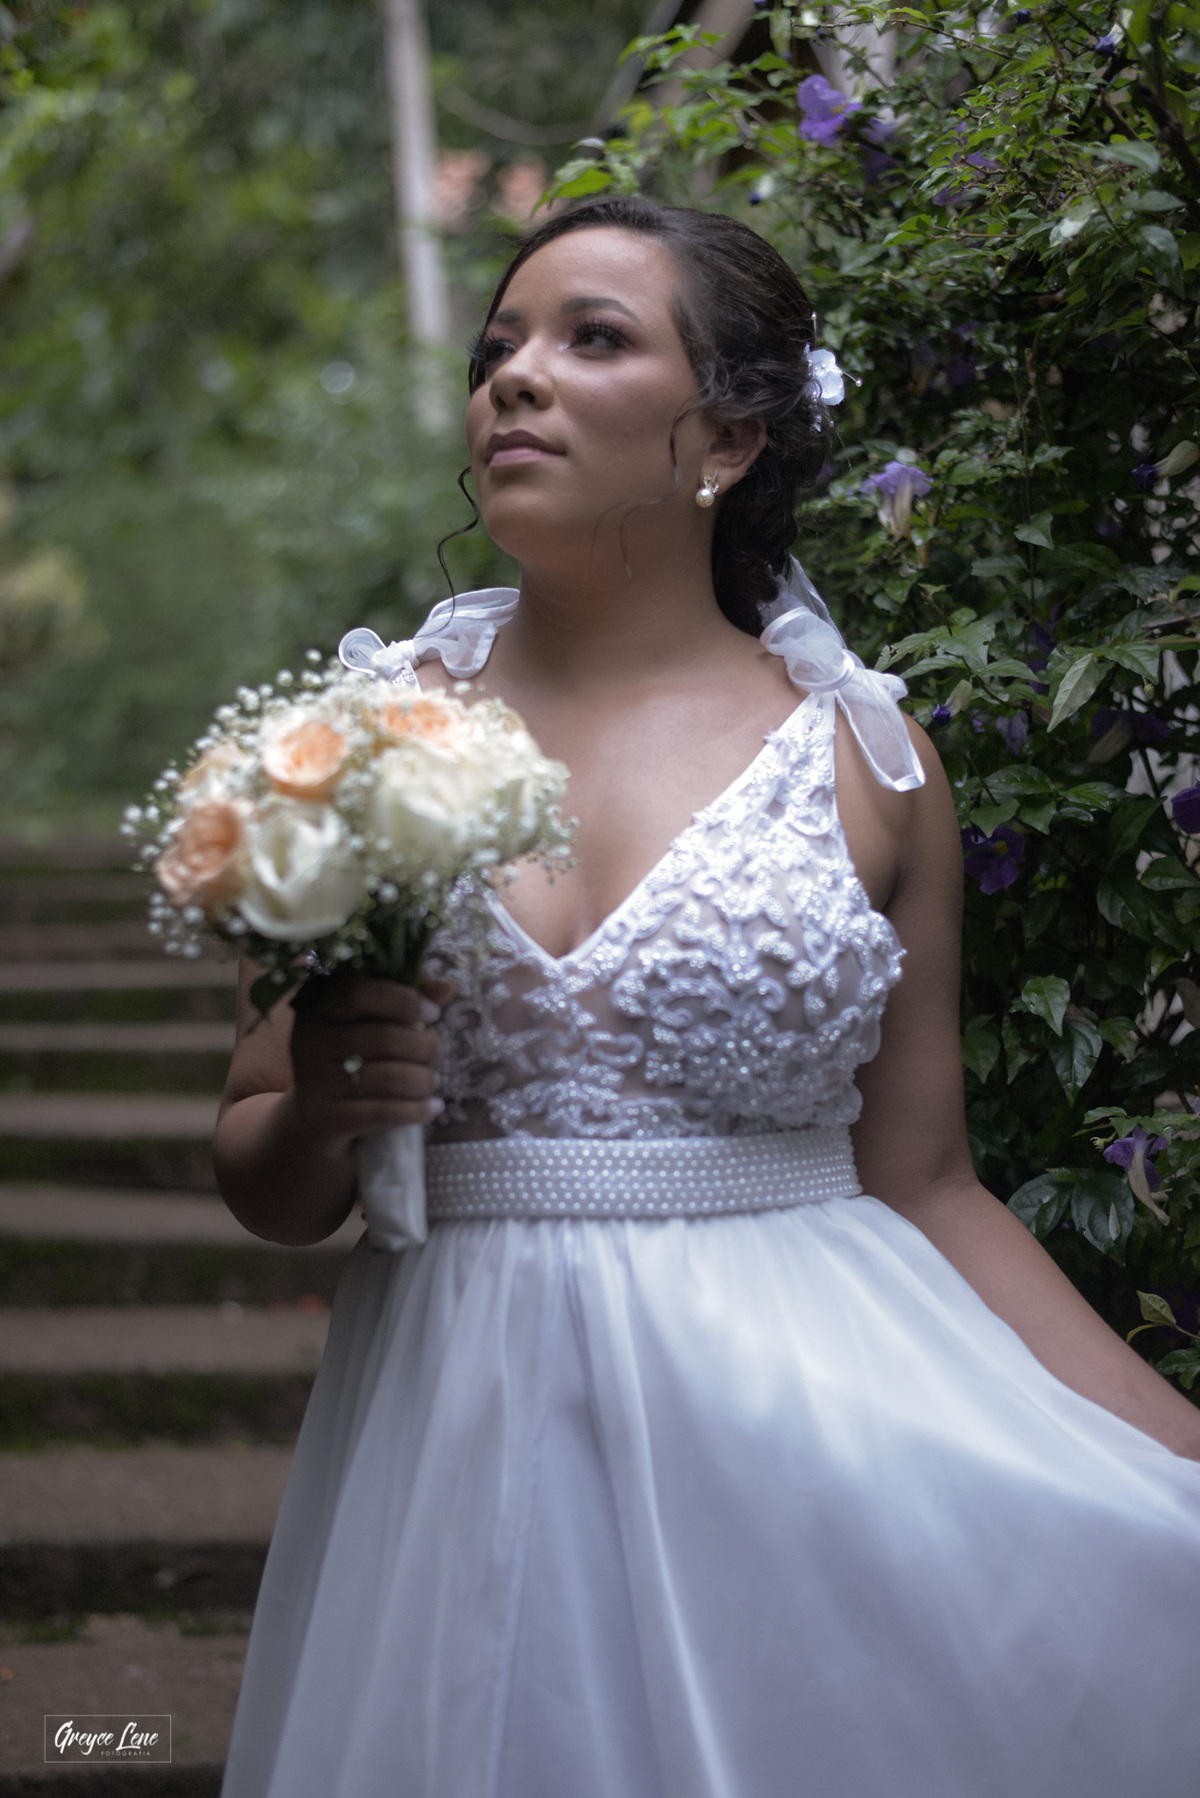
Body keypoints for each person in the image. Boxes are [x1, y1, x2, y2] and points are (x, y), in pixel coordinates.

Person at [216, 197, 1200, 1798]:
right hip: (455, 1435)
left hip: (813, 1444)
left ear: (727, 437)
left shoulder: (869, 767)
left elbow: (929, 1181)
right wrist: (329, 1095)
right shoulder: (362, 742)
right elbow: (262, 1165)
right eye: (499, 348)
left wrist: (1176, 1451)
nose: (515, 379)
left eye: (590, 338)